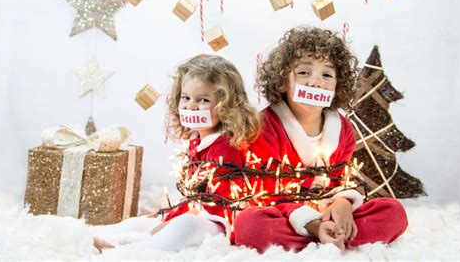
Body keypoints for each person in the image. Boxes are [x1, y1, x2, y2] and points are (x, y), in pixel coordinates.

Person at [233, 26, 408, 253]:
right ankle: (326, 237)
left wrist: (343, 203)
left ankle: (332, 234)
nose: (315, 82)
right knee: (249, 225)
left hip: (328, 209)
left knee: (394, 212)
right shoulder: (265, 126)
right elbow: (267, 195)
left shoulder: (343, 129)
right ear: (283, 81)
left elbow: (340, 180)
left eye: (326, 74)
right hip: (283, 212)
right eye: (304, 72)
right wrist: (313, 225)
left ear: (337, 86)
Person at [93, 54, 260, 252]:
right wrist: (167, 215)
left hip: (218, 222)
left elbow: (214, 203)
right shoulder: (197, 140)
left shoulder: (225, 147)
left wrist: (175, 218)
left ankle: (131, 249)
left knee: (185, 224)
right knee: (144, 221)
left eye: (203, 100)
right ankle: (97, 234)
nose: (190, 106)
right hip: (196, 210)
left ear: (225, 106)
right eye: (186, 98)